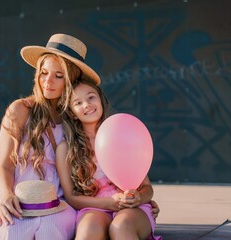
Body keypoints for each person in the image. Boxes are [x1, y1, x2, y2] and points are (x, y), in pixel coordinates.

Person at [0, 33, 101, 240]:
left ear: (71, 79)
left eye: (58, 75)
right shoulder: (19, 110)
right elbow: (5, 165)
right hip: (17, 199)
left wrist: (135, 199)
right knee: (10, 230)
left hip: (58, 204)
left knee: (51, 231)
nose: (48, 81)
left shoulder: (75, 117)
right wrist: (7, 195)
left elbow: (98, 162)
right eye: (43, 73)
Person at [56, 79, 162, 240]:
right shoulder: (66, 148)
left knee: (120, 227)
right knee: (88, 230)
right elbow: (71, 197)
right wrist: (109, 203)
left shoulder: (121, 132)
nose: (87, 105)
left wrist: (139, 198)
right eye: (78, 103)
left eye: (91, 97)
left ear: (100, 99)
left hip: (132, 208)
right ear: (72, 113)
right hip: (95, 207)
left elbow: (147, 189)